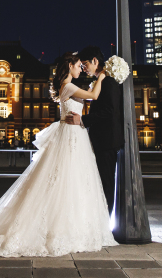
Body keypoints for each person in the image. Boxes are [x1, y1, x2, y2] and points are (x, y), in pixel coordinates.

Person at [0, 51, 117, 257]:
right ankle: (63, 227)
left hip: (74, 135)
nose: (81, 68)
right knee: (65, 179)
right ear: (69, 66)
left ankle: (66, 224)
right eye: (78, 65)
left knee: (67, 179)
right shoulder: (68, 86)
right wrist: (103, 76)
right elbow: (94, 96)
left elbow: (87, 95)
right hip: (70, 135)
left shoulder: (69, 87)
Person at [66, 46, 123, 217]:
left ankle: (105, 223)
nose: (83, 68)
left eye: (84, 64)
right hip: (102, 141)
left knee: (106, 184)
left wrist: (82, 120)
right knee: (99, 183)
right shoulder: (101, 81)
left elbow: (109, 111)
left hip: (107, 141)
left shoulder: (109, 82)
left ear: (95, 61)